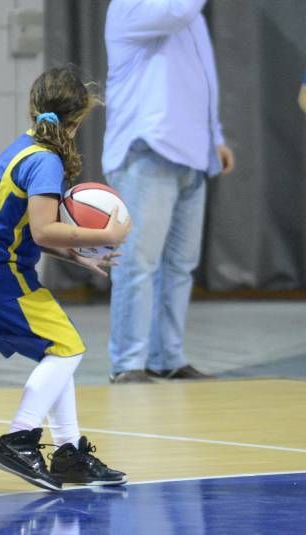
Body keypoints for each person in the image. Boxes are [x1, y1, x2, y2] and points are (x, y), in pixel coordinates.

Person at [0, 66, 130, 491]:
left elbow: (22, 226)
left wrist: (74, 254)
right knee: (66, 348)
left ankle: (68, 452)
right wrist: (106, 234)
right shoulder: (45, 161)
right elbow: (44, 229)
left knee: (60, 348)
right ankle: (19, 439)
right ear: (78, 121)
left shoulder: (26, 147)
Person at [103, 0, 235, 384]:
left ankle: (168, 357)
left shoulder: (188, 14)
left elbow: (204, 78)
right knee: (138, 262)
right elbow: (175, 12)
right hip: (147, 152)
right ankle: (128, 363)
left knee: (180, 265)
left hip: (193, 154)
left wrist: (216, 137)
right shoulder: (130, 7)